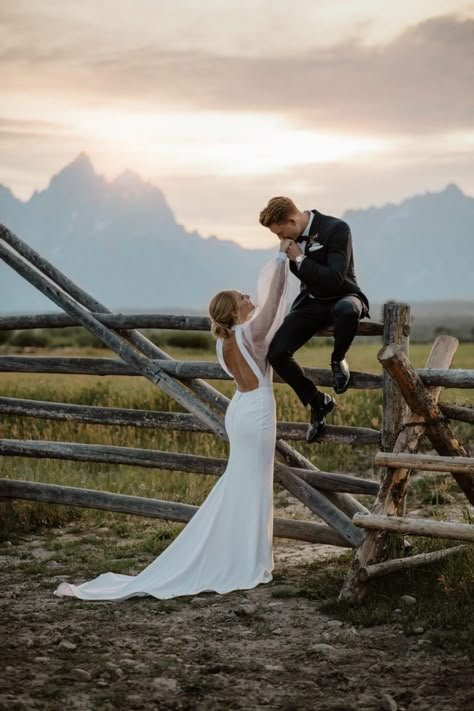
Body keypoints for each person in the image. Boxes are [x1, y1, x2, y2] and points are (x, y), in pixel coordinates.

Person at [54, 238, 291, 601]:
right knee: (253, 483)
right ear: (234, 311)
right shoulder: (250, 333)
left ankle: (249, 555)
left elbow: (265, 313)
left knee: (243, 482)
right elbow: (274, 305)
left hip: (240, 409)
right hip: (256, 412)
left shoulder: (223, 341)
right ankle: (249, 561)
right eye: (243, 296)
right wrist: (281, 261)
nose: (249, 296)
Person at [259, 196, 369, 443]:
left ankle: (338, 360)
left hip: (344, 296)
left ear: (291, 220)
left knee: (347, 310)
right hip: (312, 302)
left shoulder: (336, 228)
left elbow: (335, 279)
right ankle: (317, 401)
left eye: (280, 233)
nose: (281, 240)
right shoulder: (292, 240)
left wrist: (300, 258)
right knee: (276, 353)